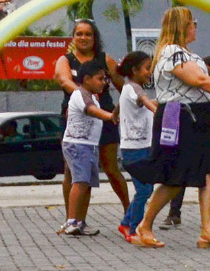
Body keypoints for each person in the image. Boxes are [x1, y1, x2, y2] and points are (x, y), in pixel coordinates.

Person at [132, 6, 210, 249]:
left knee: (209, 171)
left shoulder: (186, 53)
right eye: (192, 22)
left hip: (196, 116)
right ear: (182, 26)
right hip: (180, 117)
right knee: (174, 177)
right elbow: (199, 80)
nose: (196, 26)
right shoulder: (172, 52)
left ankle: (207, 230)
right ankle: (144, 225)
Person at [55, 20, 130, 234]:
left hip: (104, 117)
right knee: (73, 171)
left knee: (111, 168)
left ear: (94, 37)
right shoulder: (65, 60)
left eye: (88, 34)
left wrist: (133, 103)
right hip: (76, 118)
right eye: (79, 34)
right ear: (73, 37)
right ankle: (75, 220)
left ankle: (130, 213)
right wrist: (84, 94)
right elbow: (63, 80)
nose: (83, 38)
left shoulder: (105, 59)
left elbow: (122, 86)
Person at [61, 60, 117, 236]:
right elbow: (91, 110)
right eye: (100, 79)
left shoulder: (92, 96)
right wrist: (110, 116)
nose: (104, 82)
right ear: (86, 79)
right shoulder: (81, 94)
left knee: (87, 184)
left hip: (89, 145)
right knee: (80, 181)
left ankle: (80, 222)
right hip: (78, 145)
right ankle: (70, 222)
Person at [116, 51, 159, 240]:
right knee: (144, 190)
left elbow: (121, 106)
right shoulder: (134, 89)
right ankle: (134, 229)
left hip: (142, 146)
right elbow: (145, 102)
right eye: (148, 68)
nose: (150, 72)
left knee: (146, 189)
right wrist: (158, 111)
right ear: (134, 70)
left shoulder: (129, 88)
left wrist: (113, 115)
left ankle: (126, 223)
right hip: (134, 149)